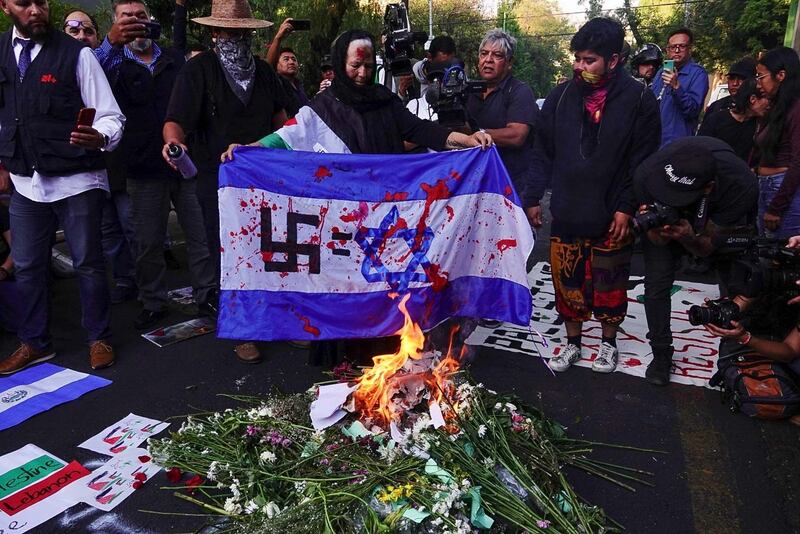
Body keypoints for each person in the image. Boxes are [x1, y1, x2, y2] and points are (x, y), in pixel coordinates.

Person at [222, 29, 492, 365]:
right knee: (344, 288)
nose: (362, 74)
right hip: (340, 222)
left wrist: (465, 140)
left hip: (385, 220)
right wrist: (250, 151)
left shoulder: (385, 101)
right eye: (355, 66)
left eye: (367, 66)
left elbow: (421, 130)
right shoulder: (320, 109)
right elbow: (286, 138)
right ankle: (343, 367)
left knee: (384, 287)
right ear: (339, 65)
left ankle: (386, 362)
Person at [528, 17, 661, 373]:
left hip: (612, 215)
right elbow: (542, 150)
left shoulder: (640, 100)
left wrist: (626, 206)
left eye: (590, 60)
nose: (579, 67)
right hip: (568, 210)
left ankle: (607, 343)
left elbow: (643, 160)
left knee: (610, 285)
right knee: (566, 284)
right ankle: (572, 343)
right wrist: (532, 197)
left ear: (613, 61)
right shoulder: (559, 97)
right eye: (577, 59)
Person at [0, 0, 125, 374]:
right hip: (26, 181)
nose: (36, 9)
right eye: (25, 3)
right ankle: (35, 342)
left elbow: (110, 115)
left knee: (87, 261)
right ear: (6, 6)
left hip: (76, 178)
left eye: (42, 2)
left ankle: (98, 337)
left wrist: (99, 138)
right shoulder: (1, 52)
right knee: (27, 265)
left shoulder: (77, 55)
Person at [163, 0, 290, 364]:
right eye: (227, 31)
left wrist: (290, 144)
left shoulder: (265, 74)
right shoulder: (198, 70)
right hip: (218, 179)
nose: (234, 37)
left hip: (267, 178)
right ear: (214, 32)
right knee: (231, 253)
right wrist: (173, 142)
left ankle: (280, 318)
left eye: (241, 32)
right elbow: (175, 120)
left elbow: (283, 120)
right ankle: (242, 329)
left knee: (275, 247)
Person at [95, 0, 217, 327]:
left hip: (184, 162)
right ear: (116, 23)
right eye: (127, 18)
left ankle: (208, 294)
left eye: (141, 16)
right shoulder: (111, 65)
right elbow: (88, 77)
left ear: (150, 21)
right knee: (148, 242)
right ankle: (153, 300)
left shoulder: (174, 60)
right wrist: (111, 43)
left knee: (200, 233)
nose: (136, 22)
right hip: (142, 167)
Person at [634, 136, 758, 385]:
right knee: (656, 283)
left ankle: (736, 351)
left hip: (717, 213)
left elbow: (707, 248)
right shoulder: (647, 174)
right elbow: (655, 242)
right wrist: (660, 230)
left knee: (737, 280)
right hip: (675, 199)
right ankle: (661, 352)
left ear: (708, 187)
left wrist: (690, 238)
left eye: (677, 196)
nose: (671, 200)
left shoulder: (739, 184)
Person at [465, 29, 538, 215]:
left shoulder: (520, 92)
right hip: (473, 185)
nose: (488, 60)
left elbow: (516, 135)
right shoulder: (467, 91)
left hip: (510, 185)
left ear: (509, 62)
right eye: (484, 54)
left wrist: (477, 134)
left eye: (497, 55)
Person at [754, 47, 800, 239]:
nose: (757, 84)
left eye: (760, 77)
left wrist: (777, 207)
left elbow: (798, 162)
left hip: (784, 194)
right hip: (768, 187)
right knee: (764, 255)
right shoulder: (778, 108)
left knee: (780, 258)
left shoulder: (796, 109)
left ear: (780, 75)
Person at [651, 28, 708, 147]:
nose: (677, 50)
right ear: (667, 50)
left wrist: (676, 87)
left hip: (678, 144)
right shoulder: (661, 72)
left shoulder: (698, 74)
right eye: (673, 47)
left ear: (690, 49)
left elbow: (693, 110)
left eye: (682, 46)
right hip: (654, 141)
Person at [698, 78, 770, 163]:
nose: (770, 104)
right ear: (753, 99)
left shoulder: (760, 125)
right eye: (767, 98)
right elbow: (699, 149)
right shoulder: (716, 120)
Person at [406, 35, 457, 121]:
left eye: (450, 66)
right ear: (429, 57)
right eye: (441, 65)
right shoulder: (411, 75)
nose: (446, 73)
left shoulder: (457, 76)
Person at [267, 19, 309, 118]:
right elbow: (268, 66)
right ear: (277, 65)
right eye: (286, 59)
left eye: (294, 59)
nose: (291, 62)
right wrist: (278, 38)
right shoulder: (276, 83)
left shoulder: (299, 85)